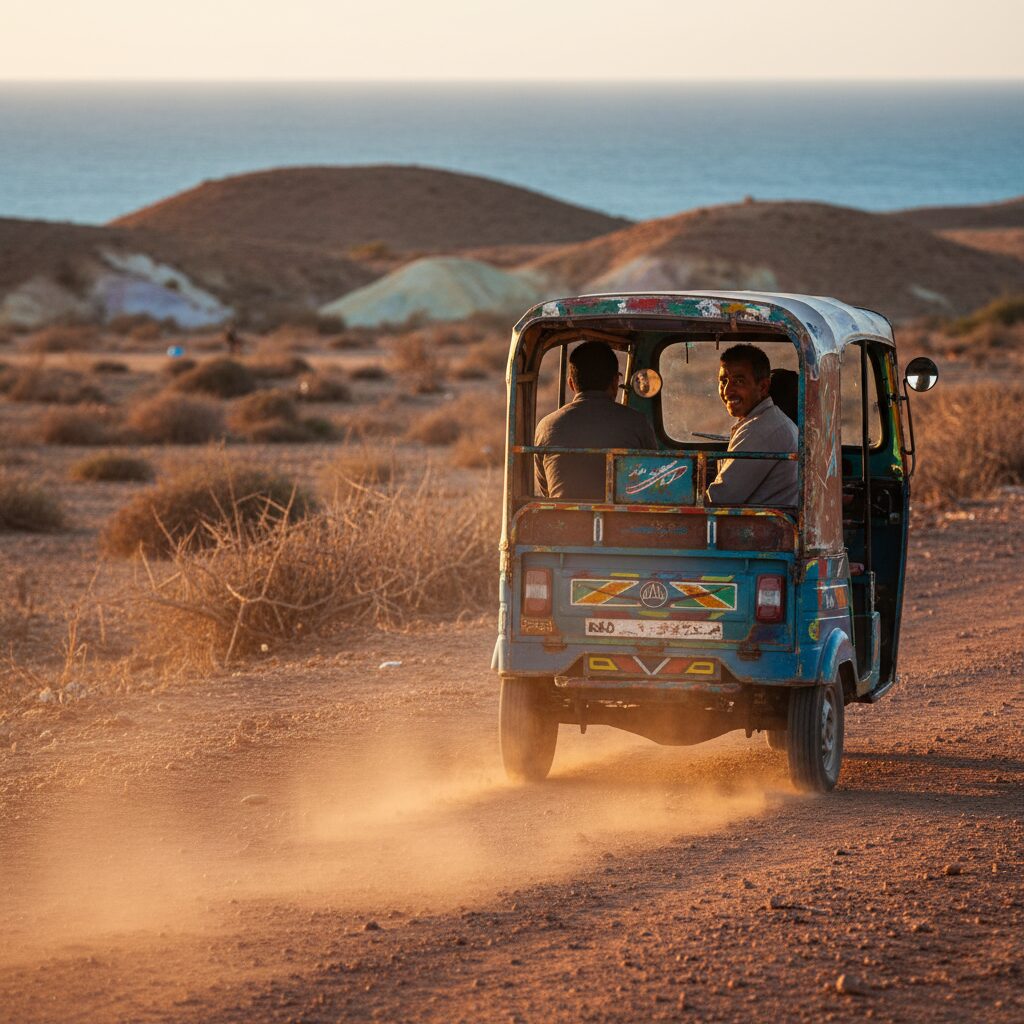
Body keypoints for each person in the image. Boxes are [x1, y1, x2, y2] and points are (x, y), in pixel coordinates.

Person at [534, 341, 657, 500]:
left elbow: (546, 489)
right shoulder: (637, 422)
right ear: (615, 382)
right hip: (627, 522)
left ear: (571, 383)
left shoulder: (546, 426)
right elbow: (653, 480)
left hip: (563, 520)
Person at [706, 344, 798, 507]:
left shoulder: (761, 430)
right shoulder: (764, 421)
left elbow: (719, 500)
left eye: (739, 381)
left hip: (763, 529)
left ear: (762, 387)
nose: (727, 391)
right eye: (723, 381)